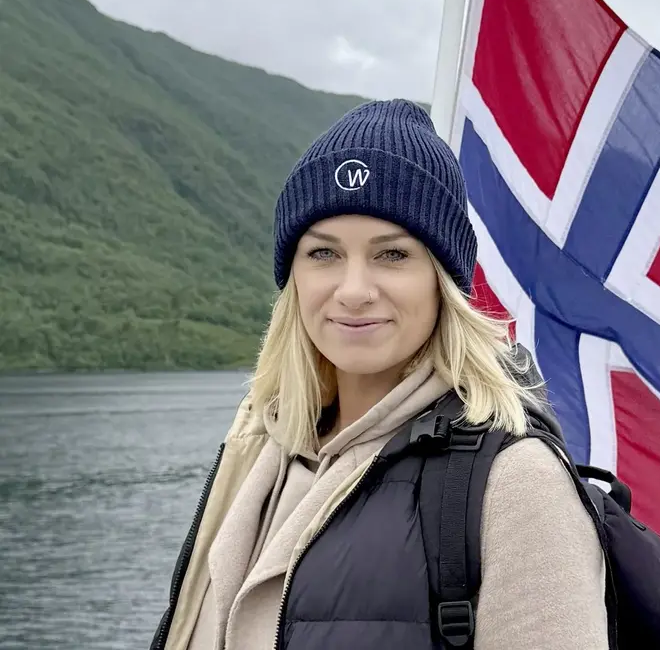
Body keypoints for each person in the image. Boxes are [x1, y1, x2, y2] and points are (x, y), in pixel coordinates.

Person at [151, 99, 608, 650]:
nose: (353, 290)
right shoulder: (260, 451)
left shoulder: (515, 483)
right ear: (292, 275)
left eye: (392, 255)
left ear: (442, 282)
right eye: (323, 253)